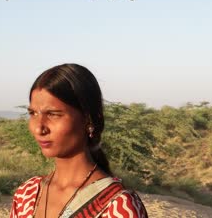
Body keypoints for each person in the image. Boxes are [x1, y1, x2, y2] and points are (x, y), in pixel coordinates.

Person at [10, 63, 148, 218]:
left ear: (88, 119)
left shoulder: (118, 207)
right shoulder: (27, 194)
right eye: (33, 113)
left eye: (53, 114)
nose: (38, 129)